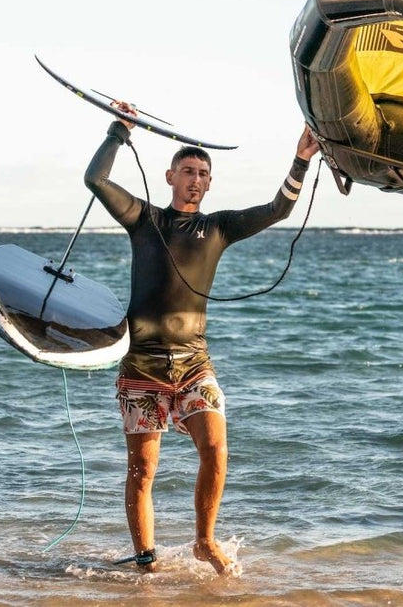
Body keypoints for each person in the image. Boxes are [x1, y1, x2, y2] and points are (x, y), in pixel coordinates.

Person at [84, 103, 319, 574]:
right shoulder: (143, 219)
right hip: (142, 367)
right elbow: (96, 180)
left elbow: (279, 209)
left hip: (194, 363)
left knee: (215, 448)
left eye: (203, 173)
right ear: (169, 176)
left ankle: (204, 540)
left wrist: (300, 160)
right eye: (187, 170)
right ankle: (146, 559)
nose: (195, 178)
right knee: (142, 470)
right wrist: (119, 130)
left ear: (210, 184)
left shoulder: (219, 228)